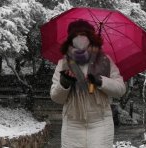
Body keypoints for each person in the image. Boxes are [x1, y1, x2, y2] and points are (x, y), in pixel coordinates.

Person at [50, 19, 126, 148]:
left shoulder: (105, 61)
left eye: (83, 35)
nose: (80, 39)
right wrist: (64, 83)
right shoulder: (63, 64)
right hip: (72, 123)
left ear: (91, 38)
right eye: (75, 35)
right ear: (70, 39)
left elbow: (120, 90)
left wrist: (100, 81)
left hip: (100, 123)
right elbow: (56, 98)